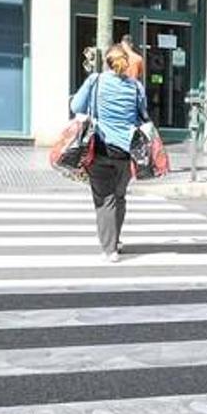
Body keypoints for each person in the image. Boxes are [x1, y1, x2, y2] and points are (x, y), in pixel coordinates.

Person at [69, 43, 152, 262]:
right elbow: (144, 115)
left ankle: (110, 249)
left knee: (104, 199)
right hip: (126, 152)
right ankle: (115, 239)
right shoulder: (135, 86)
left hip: (101, 148)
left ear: (106, 62)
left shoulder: (95, 80)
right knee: (119, 196)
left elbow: (76, 106)